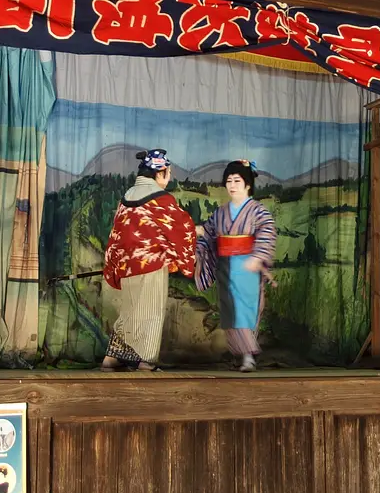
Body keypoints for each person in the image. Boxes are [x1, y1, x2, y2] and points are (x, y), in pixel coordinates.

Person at [101, 149, 197, 372]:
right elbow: (182, 227)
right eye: (168, 172)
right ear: (160, 173)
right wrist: (197, 233)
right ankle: (147, 360)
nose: (169, 177)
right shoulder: (161, 199)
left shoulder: (128, 196)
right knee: (151, 311)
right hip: (150, 263)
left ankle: (112, 358)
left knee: (130, 309)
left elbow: (117, 234)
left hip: (127, 265)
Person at [195, 159, 276, 372]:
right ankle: (242, 355)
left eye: (237, 180)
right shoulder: (220, 212)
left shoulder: (258, 211)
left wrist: (258, 257)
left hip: (247, 265)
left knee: (245, 310)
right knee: (230, 310)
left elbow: (266, 233)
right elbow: (210, 233)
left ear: (248, 184)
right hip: (225, 266)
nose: (232, 185)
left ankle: (248, 356)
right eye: (229, 180)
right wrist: (201, 234)